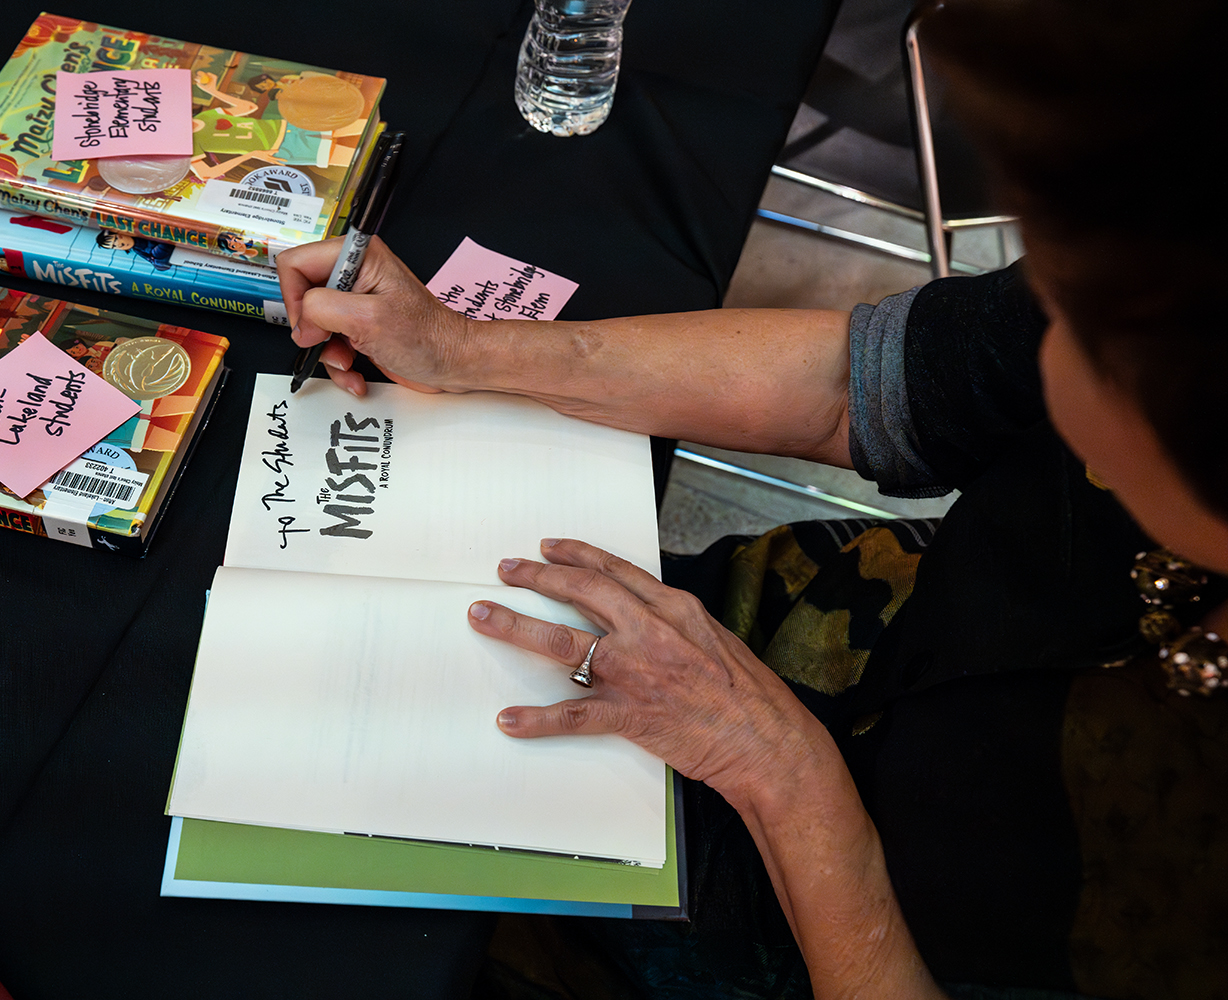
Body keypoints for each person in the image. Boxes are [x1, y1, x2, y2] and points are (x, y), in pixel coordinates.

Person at [273, 0, 1227, 996]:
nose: (1042, 337)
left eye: (1071, 322)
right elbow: (858, 388)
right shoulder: (1177, 273)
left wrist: (773, 763)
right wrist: (469, 352)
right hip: (836, 633)